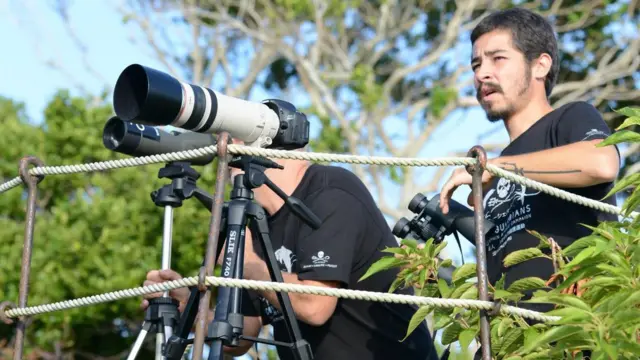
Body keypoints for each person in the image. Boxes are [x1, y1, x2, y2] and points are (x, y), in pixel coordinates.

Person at [141, 141, 440, 360]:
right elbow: (239, 337)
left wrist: (249, 265)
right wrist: (190, 309)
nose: (229, 147)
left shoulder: (329, 190)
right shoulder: (253, 220)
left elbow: (314, 306)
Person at [439, 8, 620, 303]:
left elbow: (602, 163)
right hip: (516, 338)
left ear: (540, 65)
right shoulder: (492, 174)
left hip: (580, 329)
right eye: (476, 64)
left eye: (498, 59)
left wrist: (498, 168)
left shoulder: (570, 118)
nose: (482, 73)